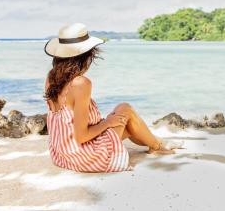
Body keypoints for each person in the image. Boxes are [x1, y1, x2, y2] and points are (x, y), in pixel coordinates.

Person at [43, 23, 183, 173]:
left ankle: (156, 143)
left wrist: (108, 123)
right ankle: (157, 146)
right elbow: (82, 137)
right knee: (125, 110)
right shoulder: (81, 83)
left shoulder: (51, 77)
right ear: (86, 56)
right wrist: (108, 123)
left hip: (62, 153)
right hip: (83, 156)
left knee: (129, 124)